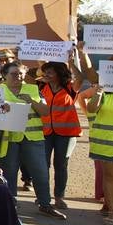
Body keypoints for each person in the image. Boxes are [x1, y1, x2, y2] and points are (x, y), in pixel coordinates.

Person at [0, 61, 63, 219]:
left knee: (40, 171)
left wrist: (31, 101)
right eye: (14, 74)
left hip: (33, 137)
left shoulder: (33, 89)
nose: (18, 77)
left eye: (21, 73)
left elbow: (45, 112)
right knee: (9, 172)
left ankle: (45, 204)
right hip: (9, 138)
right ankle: (11, 204)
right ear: (4, 75)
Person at [40, 52, 87, 211]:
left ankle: (59, 197)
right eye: (45, 72)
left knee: (61, 164)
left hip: (66, 133)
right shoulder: (41, 86)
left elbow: (80, 78)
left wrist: (71, 62)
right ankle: (43, 196)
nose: (46, 75)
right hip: (46, 132)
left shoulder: (69, 88)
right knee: (43, 164)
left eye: (50, 72)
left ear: (59, 74)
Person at [82, 54, 113, 225]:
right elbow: (92, 108)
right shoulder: (104, 89)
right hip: (110, 141)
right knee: (111, 176)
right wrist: (98, 93)